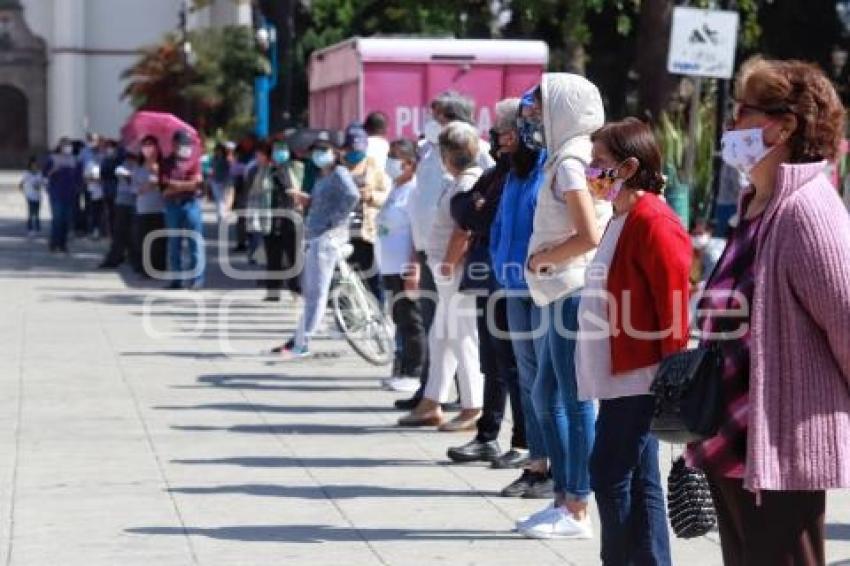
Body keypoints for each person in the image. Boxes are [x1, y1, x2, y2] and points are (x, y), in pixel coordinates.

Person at [688, 57, 850, 566]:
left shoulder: (808, 211)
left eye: (743, 111)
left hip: (783, 446)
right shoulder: (757, 204)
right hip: (734, 441)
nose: (731, 124)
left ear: (784, 125)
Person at [575, 118, 691, 563]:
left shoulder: (654, 220)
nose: (590, 170)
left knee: (608, 473)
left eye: (598, 162)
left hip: (640, 377)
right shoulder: (623, 216)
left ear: (628, 166)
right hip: (622, 373)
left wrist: (672, 380)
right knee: (640, 482)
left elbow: (674, 306)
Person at [516, 74, 611, 540]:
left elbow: (590, 233)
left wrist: (543, 259)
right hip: (557, 290)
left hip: (570, 289)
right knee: (543, 395)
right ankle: (562, 497)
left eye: (540, 106)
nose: (533, 116)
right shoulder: (570, 155)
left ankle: (577, 504)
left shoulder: (574, 161)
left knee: (574, 401)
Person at [396, 91, 495, 411]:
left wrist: (450, 262)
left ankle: (471, 406)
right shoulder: (434, 154)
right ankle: (431, 400)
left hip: (453, 266)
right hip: (436, 259)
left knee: (461, 335)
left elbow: (464, 224)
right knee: (441, 333)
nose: (435, 122)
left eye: (441, 116)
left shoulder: (474, 162)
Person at [444, 99, 526, 465]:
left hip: (507, 277)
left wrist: (475, 207)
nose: (492, 138)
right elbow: (461, 209)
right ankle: (487, 433)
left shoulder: (517, 172)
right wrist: (472, 205)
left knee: (513, 364)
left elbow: (483, 217)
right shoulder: (497, 171)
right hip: (487, 275)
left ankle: (523, 442)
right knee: (492, 361)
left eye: (497, 131)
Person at [489, 92, 555, 497]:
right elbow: (499, 225)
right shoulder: (513, 173)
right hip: (514, 288)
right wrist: (500, 265)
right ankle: (536, 463)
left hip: (546, 287)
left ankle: (561, 471)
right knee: (530, 379)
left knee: (550, 381)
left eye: (506, 131)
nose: (500, 138)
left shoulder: (551, 170)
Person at [271, 131, 360, 359]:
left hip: (327, 237)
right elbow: (322, 202)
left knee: (316, 293)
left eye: (323, 151)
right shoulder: (323, 175)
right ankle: (300, 339)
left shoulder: (339, 173)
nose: (318, 156)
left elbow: (352, 196)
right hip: (316, 235)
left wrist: (335, 220)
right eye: (315, 153)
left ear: (334, 152)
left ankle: (303, 342)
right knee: (312, 291)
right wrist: (306, 199)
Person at [376, 139, 426, 392]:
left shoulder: (413, 191)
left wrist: (414, 267)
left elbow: (417, 234)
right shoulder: (396, 188)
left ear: (409, 163)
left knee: (412, 320)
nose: (390, 162)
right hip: (389, 266)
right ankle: (404, 369)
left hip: (404, 267)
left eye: (395, 157)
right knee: (400, 319)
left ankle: (415, 372)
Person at [343, 122, 390, 304]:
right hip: (342, 232)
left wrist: (370, 196)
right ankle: (349, 319)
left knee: (371, 276)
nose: (355, 150)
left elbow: (386, 194)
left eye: (359, 146)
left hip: (366, 232)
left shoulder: (374, 166)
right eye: (351, 146)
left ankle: (378, 312)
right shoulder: (339, 166)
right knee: (346, 279)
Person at [161, 129, 205, 290]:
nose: (184, 147)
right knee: (174, 243)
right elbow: (165, 186)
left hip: (191, 204)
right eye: (181, 144)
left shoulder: (194, 161)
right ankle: (176, 279)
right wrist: (187, 185)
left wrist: (177, 185)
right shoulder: (166, 162)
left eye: (187, 144)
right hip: (173, 205)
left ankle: (197, 280)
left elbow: (198, 184)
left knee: (195, 243)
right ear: (173, 145)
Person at [263, 139, 304, 301]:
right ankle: (273, 291)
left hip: (292, 217)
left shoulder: (297, 168)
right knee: (273, 256)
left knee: (293, 256)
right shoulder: (266, 171)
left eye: (283, 150)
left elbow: (298, 189)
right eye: (276, 150)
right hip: (272, 218)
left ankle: (296, 290)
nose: (280, 153)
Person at [100, 151, 140, 270]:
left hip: (136, 205)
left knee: (135, 234)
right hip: (123, 203)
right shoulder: (122, 167)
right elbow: (124, 175)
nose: (131, 160)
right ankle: (115, 257)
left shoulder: (141, 167)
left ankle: (133, 259)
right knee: (120, 232)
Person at [136, 136, 167, 277]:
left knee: (159, 240)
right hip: (143, 208)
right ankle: (145, 269)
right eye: (145, 145)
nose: (147, 148)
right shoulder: (139, 167)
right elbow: (134, 188)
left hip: (160, 208)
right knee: (144, 240)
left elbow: (167, 186)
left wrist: (157, 174)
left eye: (151, 145)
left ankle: (159, 267)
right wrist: (147, 185)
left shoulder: (163, 166)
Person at [44, 138, 82, 254]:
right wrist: (53, 171)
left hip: (70, 194)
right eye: (65, 145)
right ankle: (54, 243)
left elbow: (79, 177)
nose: (67, 148)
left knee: (66, 220)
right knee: (57, 219)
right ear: (60, 146)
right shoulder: (52, 158)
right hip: (56, 193)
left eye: (69, 145)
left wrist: (78, 188)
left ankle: (63, 244)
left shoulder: (75, 160)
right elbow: (45, 174)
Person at [244, 140, 276, 265]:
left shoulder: (273, 170)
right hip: (257, 207)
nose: (257, 157)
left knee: (266, 236)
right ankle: (259, 259)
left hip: (269, 208)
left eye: (260, 154)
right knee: (257, 234)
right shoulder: (255, 169)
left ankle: (264, 261)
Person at [82, 136, 106, 240]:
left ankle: (101, 230)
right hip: (91, 190)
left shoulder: (104, 162)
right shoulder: (90, 164)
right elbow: (86, 178)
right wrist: (93, 179)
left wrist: (102, 179)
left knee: (101, 212)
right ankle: (92, 230)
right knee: (91, 211)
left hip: (103, 191)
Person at [19, 157, 45, 236]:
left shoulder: (40, 173)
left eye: (36, 164)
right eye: (33, 164)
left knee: (37, 213)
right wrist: (24, 191)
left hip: (38, 196)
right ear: (30, 165)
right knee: (31, 212)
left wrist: (39, 186)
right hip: (29, 195)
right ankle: (30, 228)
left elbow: (42, 183)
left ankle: (37, 228)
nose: (34, 166)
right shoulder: (26, 173)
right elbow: (21, 184)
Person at [209, 142, 233, 224]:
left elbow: (231, 168)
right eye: (217, 150)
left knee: (223, 199)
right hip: (215, 181)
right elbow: (212, 169)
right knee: (219, 199)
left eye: (220, 150)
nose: (218, 151)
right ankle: (221, 216)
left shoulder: (227, 158)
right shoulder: (214, 158)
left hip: (225, 181)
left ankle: (222, 215)